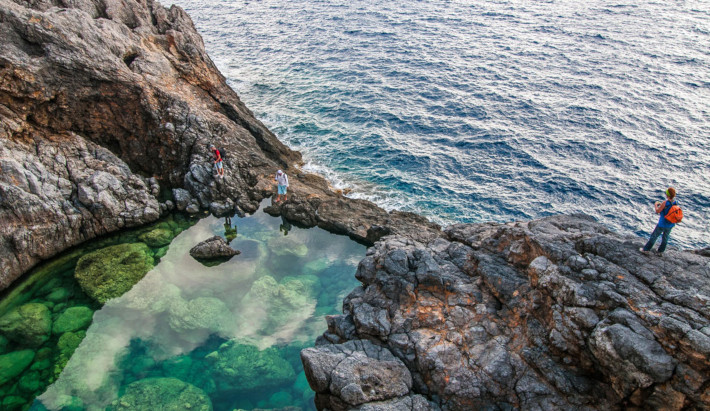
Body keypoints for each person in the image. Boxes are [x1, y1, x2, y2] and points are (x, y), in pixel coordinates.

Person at [640, 187, 678, 255]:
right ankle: (660, 252)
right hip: (670, 224)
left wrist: (656, 205)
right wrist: (662, 206)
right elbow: (669, 209)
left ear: (668, 195)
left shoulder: (665, 202)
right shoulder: (675, 202)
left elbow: (658, 211)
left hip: (662, 223)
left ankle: (646, 250)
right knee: (665, 238)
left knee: (654, 236)